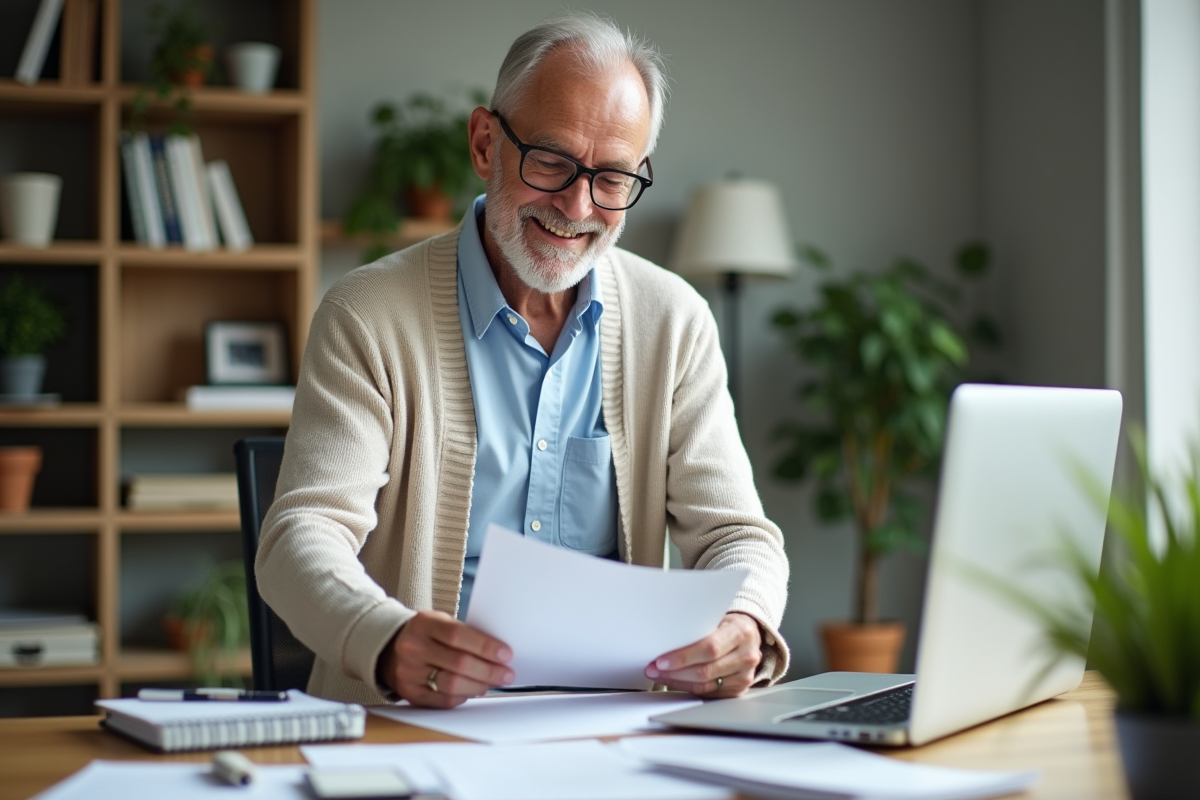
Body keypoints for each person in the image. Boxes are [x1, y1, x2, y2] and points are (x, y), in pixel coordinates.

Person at [256, 11, 790, 709]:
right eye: (552, 161)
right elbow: (303, 534)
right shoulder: (365, 315)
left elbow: (735, 534)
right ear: (485, 144)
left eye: (612, 178)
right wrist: (383, 638)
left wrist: (745, 620)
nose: (577, 204)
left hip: (617, 727)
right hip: (411, 719)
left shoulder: (676, 319)